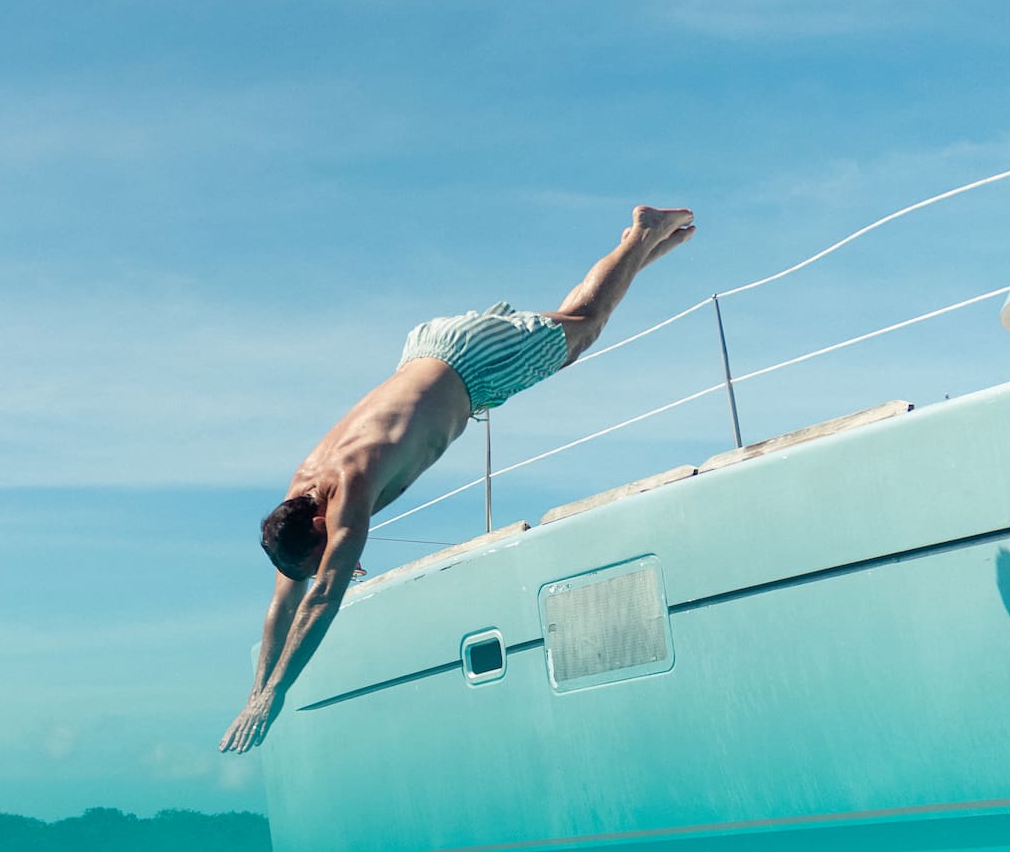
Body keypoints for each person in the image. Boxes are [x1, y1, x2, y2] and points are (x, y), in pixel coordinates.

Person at [218, 205, 696, 754]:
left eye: (328, 553)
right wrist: (251, 693)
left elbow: (321, 596)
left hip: (473, 367)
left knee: (584, 327)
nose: (338, 565)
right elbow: (286, 601)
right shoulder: (300, 497)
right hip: (430, 348)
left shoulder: (348, 486)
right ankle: (646, 244)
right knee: (571, 318)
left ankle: (641, 235)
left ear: (322, 524)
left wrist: (274, 695)